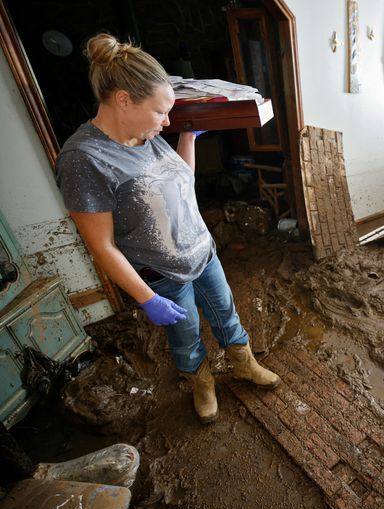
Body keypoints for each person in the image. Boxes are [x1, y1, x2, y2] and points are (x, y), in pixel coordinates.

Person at [55, 33, 280, 424]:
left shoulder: (149, 134)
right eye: (161, 112)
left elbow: (180, 184)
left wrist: (187, 138)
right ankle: (201, 381)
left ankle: (243, 363)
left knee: (224, 311)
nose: (167, 120)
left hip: (200, 249)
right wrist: (146, 298)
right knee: (186, 330)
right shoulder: (84, 159)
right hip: (161, 270)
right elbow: (102, 245)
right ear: (123, 100)